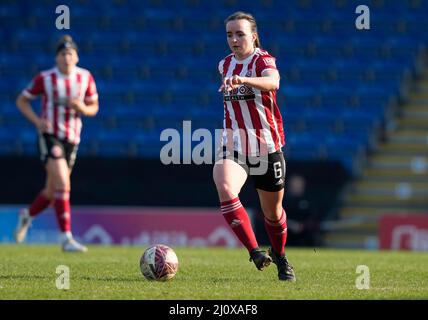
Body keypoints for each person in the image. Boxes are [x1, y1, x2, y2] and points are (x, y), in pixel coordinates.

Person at [214, 12, 295, 281]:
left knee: (272, 214)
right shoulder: (224, 65)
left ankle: (281, 257)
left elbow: (274, 82)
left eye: (240, 34)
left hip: (266, 146)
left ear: (254, 36)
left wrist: (244, 80)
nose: (234, 40)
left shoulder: (262, 60)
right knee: (225, 187)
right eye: (229, 35)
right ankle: (255, 252)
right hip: (234, 144)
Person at [14, 35, 99, 252]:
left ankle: (27, 215)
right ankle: (66, 239)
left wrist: (82, 108)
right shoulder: (46, 78)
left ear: (77, 57)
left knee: (52, 191)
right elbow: (22, 100)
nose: (67, 57)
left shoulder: (85, 77)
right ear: (56, 58)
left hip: (73, 139)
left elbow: (94, 107)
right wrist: (37, 121)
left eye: (70, 53)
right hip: (50, 136)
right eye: (62, 54)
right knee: (63, 183)